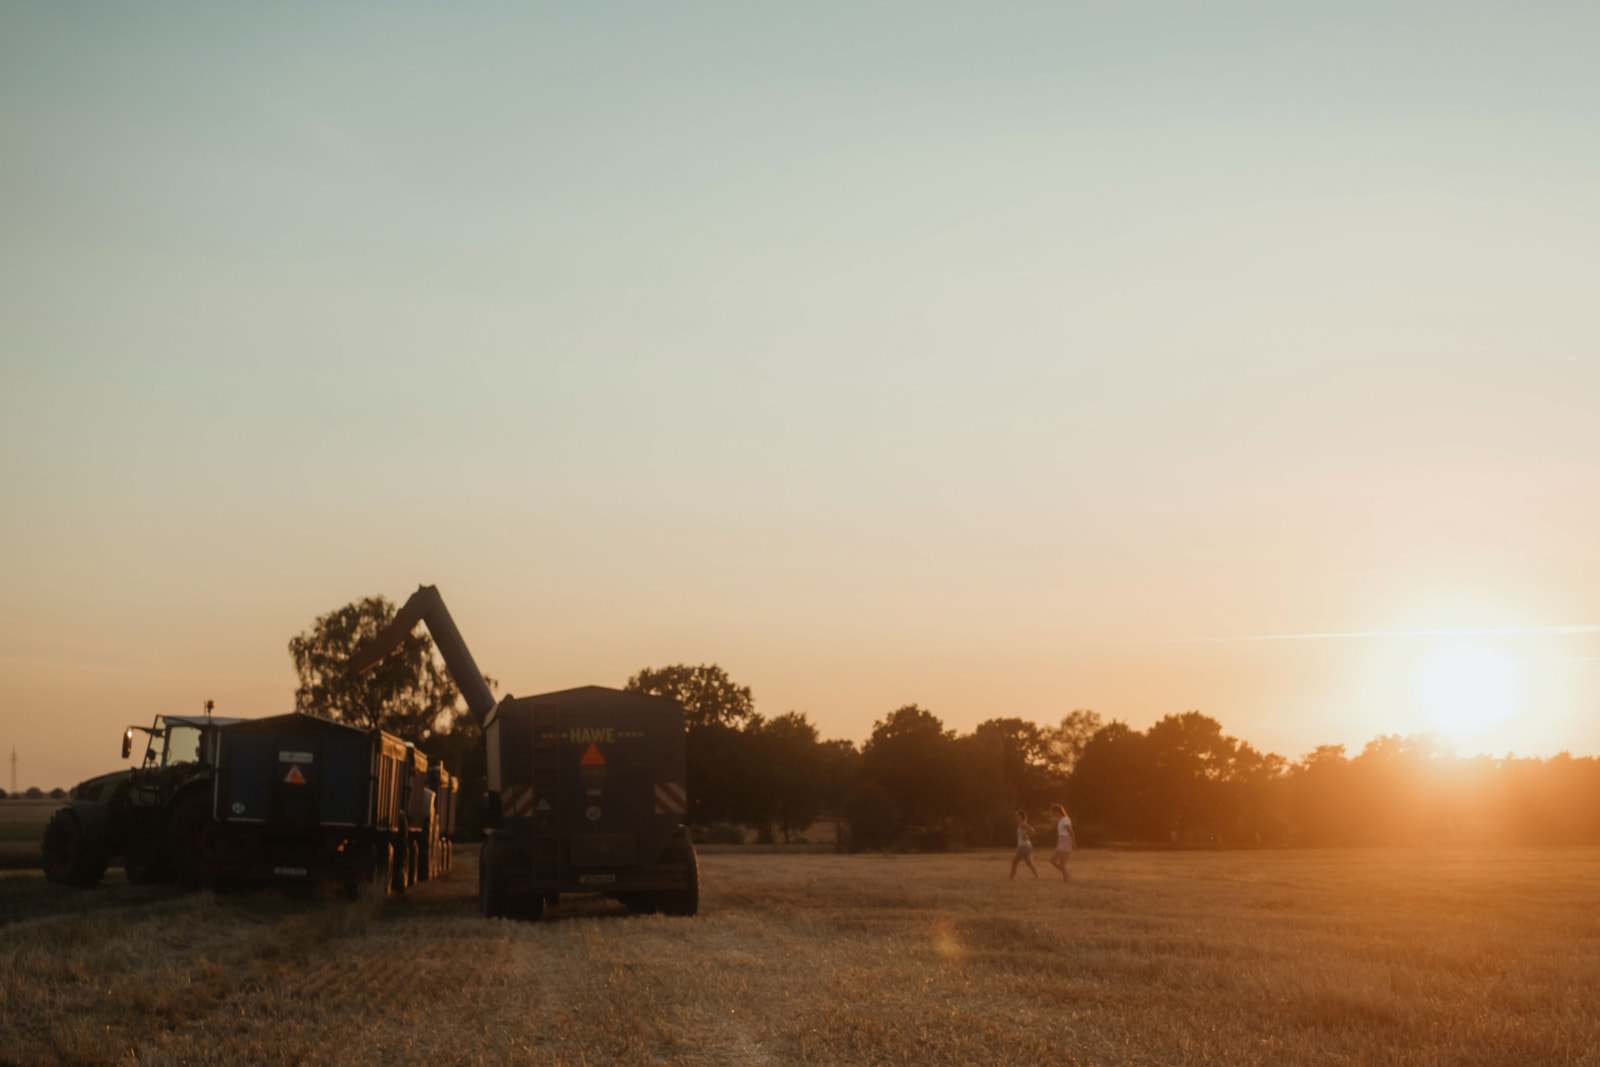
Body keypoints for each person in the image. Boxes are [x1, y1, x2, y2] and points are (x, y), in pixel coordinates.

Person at [1048, 803, 1075, 882]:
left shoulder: (1065, 819)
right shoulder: (1061, 820)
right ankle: (1066, 874)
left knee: (1062, 863)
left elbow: (1070, 831)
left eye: (1053, 812)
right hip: (1061, 840)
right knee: (1052, 860)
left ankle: (1066, 879)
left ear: (1057, 812)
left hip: (1065, 840)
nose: (1053, 814)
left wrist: (1073, 841)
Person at [1009, 808, 1038, 880]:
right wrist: (1026, 835)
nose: (1016, 817)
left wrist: (1026, 835)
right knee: (1029, 863)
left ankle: (1010, 878)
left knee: (1014, 863)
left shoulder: (1022, 823)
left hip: (1023, 846)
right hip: (1027, 846)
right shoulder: (1021, 824)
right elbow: (1031, 830)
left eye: (1017, 815)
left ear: (1021, 816)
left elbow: (1032, 829)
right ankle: (1037, 876)